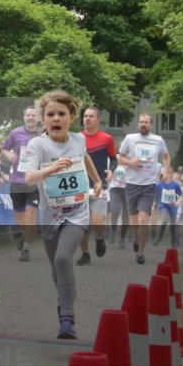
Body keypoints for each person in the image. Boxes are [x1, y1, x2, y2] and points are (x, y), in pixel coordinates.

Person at [19, 90, 103, 340]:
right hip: (50, 215)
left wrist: (96, 179)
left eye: (61, 114)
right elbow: (28, 177)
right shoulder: (37, 145)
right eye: (50, 114)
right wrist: (51, 169)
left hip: (77, 213)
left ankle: (67, 316)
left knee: (64, 259)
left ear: (72, 117)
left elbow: (84, 156)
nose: (55, 118)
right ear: (43, 120)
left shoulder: (78, 140)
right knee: (56, 265)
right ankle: (65, 298)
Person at [117, 113, 171, 265]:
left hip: (149, 185)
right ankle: (136, 236)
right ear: (138, 124)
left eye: (146, 122)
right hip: (132, 183)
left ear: (151, 125)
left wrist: (165, 170)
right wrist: (130, 162)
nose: (143, 124)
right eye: (141, 122)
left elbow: (166, 156)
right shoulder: (130, 138)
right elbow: (120, 157)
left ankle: (140, 252)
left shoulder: (158, 140)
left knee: (143, 219)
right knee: (134, 221)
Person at [3, 106, 42, 262]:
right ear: (24, 117)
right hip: (17, 181)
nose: (31, 117)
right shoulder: (15, 133)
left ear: (37, 118)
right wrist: (9, 155)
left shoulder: (42, 135)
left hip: (34, 181)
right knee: (19, 217)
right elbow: (5, 149)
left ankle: (26, 249)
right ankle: (25, 234)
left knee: (31, 215)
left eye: (33, 115)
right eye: (28, 115)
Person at [77, 106, 113, 265]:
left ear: (98, 119)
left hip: (99, 185)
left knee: (97, 221)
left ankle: (99, 238)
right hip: (79, 185)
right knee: (81, 223)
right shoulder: (76, 138)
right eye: (85, 116)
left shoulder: (107, 138)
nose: (87, 119)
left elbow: (114, 158)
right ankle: (85, 253)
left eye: (91, 116)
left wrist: (111, 170)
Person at [154, 166, 182, 248]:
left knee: (172, 225)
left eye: (164, 173)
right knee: (164, 221)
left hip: (173, 207)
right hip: (163, 206)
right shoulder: (159, 185)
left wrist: (177, 202)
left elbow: (181, 196)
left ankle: (173, 242)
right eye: (162, 173)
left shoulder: (175, 185)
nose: (163, 175)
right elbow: (153, 192)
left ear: (170, 174)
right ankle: (159, 237)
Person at [108, 155, 131, 249]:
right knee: (115, 211)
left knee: (126, 214)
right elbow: (108, 170)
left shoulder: (131, 160)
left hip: (127, 190)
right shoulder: (114, 159)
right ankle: (113, 231)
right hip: (115, 189)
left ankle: (122, 239)